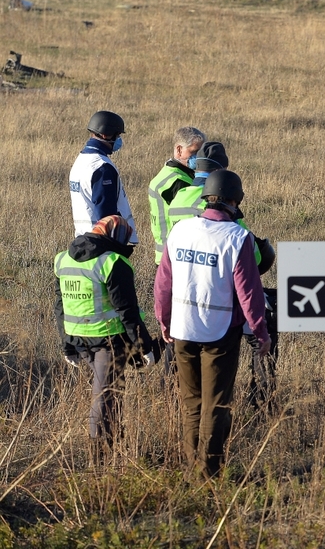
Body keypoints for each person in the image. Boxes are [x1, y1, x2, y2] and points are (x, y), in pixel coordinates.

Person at [154, 169, 270, 478]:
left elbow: (163, 283)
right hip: (220, 333)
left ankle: (193, 468)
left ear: (207, 197)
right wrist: (260, 331)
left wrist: (164, 321)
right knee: (216, 404)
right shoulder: (237, 237)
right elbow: (249, 292)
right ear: (234, 201)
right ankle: (209, 473)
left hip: (181, 330)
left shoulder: (179, 230)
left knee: (191, 402)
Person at [53, 216, 156, 465]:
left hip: (79, 340)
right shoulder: (112, 262)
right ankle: (97, 461)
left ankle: (112, 448)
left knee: (111, 394)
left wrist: (67, 344)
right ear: (117, 237)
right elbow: (127, 311)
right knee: (105, 397)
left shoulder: (62, 259)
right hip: (108, 340)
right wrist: (144, 346)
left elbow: (60, 306)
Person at [69, 111, 138, 243]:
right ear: (106, 134)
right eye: (117, 135)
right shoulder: (102, 167)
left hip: (83, 240)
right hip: (102, 243)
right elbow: (107, 215)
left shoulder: (81, 161)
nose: (119, 140)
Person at [148, 126, 205, 265]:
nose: (199, 157)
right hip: (174, 257)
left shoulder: (169, 172)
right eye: (194, 152)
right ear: (179, 150)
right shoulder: (176, 182)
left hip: (170, 255)